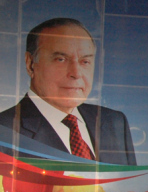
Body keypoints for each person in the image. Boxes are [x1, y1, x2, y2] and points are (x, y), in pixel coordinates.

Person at [0, 18, 136, 165]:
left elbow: (130, 186)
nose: (76, 73)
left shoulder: (114, 122)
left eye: (85, 61)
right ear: (31, 64)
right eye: (61, 59)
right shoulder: (5, 131)